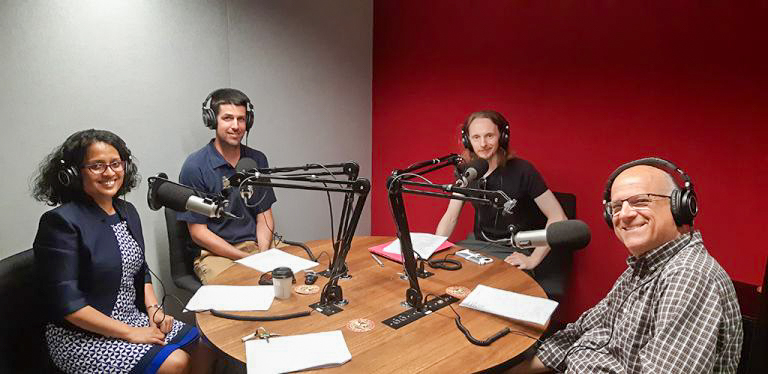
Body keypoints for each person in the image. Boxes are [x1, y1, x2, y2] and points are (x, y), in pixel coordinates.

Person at [510, 157, 743, 373]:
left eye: (640, 201)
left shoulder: (688, 277)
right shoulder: (643, 267)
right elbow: (582, 329)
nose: (625, 215)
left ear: (680, 206)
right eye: (616, 207)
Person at [32, 129, 212, 374]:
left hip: (132, 319)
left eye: (116, 164)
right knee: (176, 362)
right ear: (73, 173)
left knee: (204, 342)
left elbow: (141, 271)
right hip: (81, 338)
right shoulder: (60, 223)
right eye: (97, 165)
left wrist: (153, 311)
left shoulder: (126, 211)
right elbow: (69, 306)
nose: (109, 172)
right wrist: (132, 333)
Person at [436, 110, 568, 297]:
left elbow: (558, 217)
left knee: (492, 293)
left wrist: (533, 259)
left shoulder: (524, 170)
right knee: (443, 279)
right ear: (467, 141)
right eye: (476, 137)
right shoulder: (467, 173)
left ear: (502, 137)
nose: (483, 144)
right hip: (478, 245)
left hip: (516, 248)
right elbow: (450, 217)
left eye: (489, 135)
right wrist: (433, 248)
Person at [178, 88, 277, 284]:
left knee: (299, 276)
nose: (236, 126)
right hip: (216, 255)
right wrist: (247, 260)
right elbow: (198, 232)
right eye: (228, 118)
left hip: (257, 246)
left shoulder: (256, 159)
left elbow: (264, 215)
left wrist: (263, 255)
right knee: (242, 289)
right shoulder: (195, 166)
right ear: (212, 120)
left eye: (241, 119)